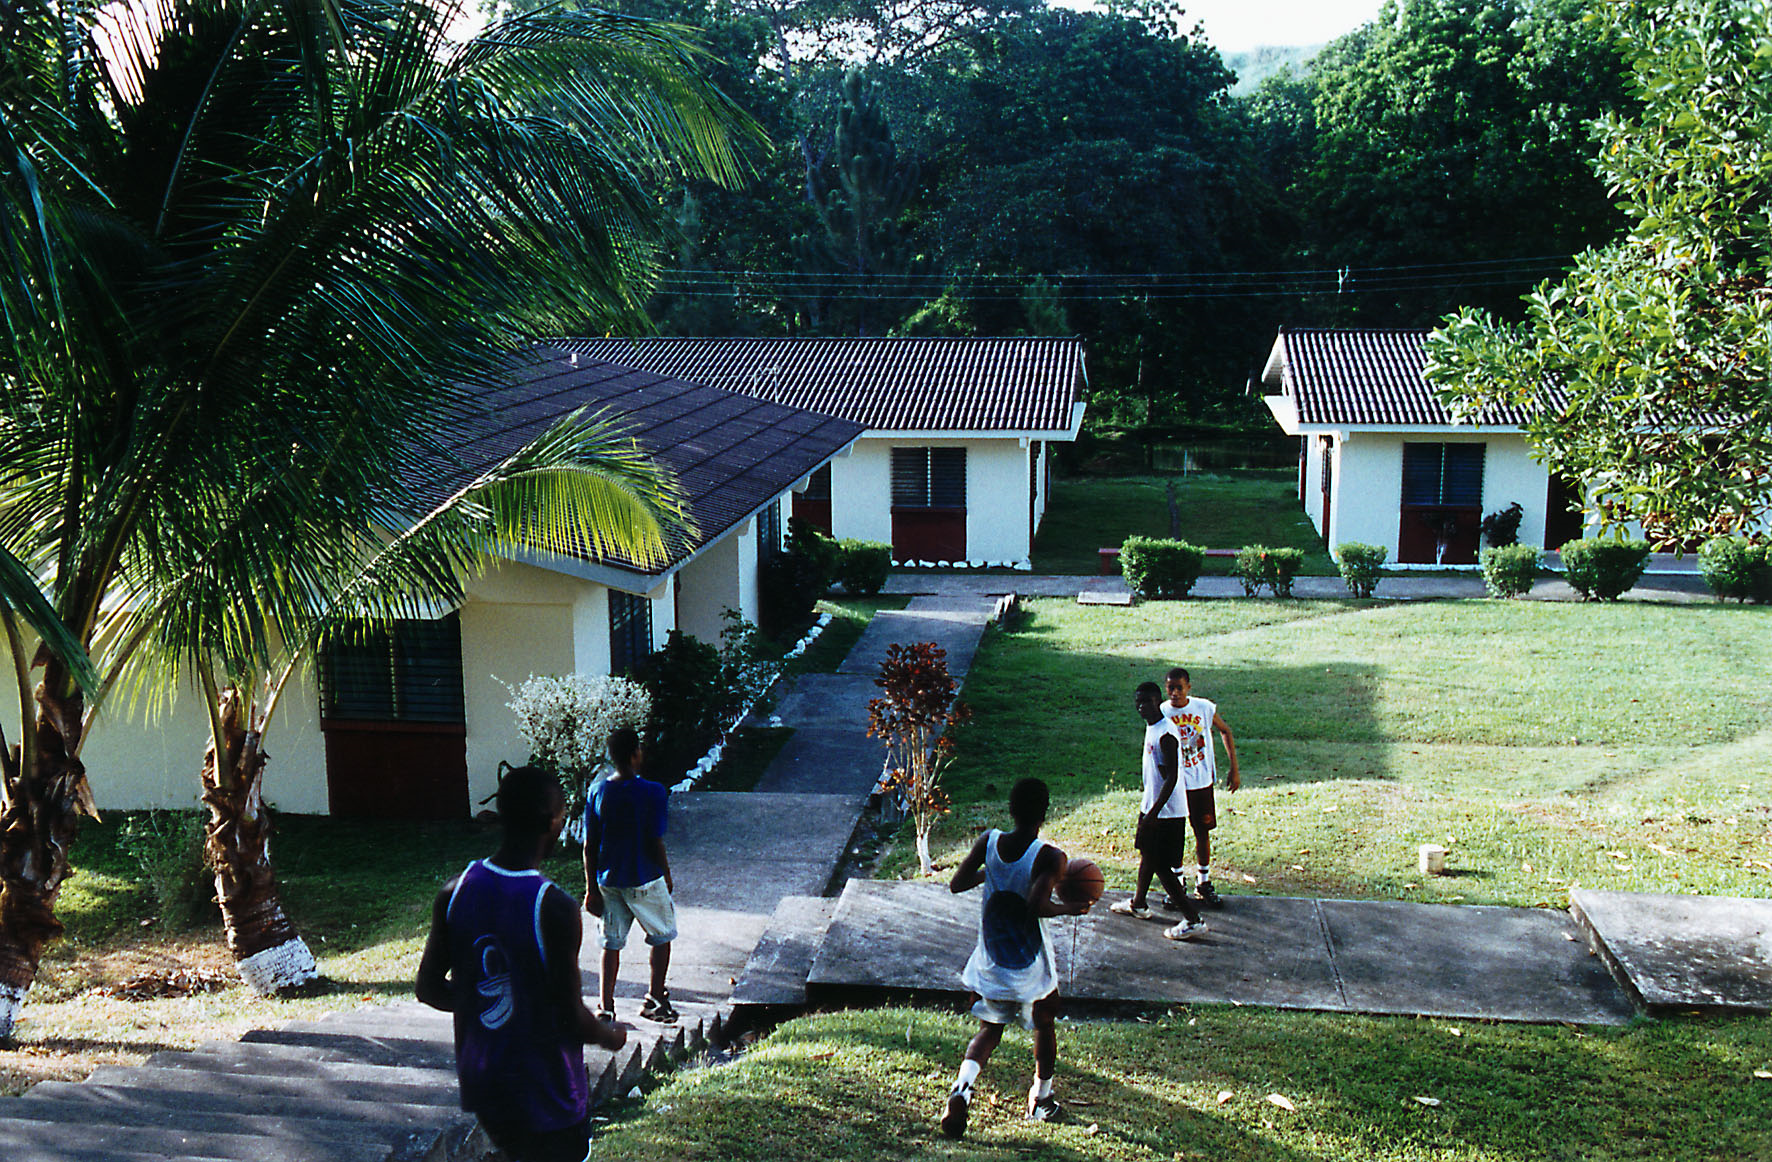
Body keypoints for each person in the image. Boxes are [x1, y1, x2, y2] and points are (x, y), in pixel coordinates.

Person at [416, 765, 626, 1162]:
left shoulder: (454, 891)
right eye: (562, 814)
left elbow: (428, 988)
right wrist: (609, 1034)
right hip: (546, 1092)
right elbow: (569, 1017)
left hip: (487, 1085)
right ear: (553, 823)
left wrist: (488, 1008)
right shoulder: (554, 907)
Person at [940, 777, 1093, 1140]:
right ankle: (1041, 1099)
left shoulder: (988, 842)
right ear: (1045, 813)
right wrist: (1070, 907)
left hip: (992, 961)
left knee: (989, 1030)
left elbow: (957, 883)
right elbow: (1037, 905)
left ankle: (961, 1089)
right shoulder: (1050, 856)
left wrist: (992, 871)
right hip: (1029, 966)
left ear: (1010, 809)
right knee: (1045, 1022)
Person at [582, 725, 678, 1024]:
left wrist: (590, 889)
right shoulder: (652, 791)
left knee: (610, 943)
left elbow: (589, 846)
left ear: (611, 756)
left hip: (608, 881)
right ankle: (654, 998)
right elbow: (654, 840)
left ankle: (606, 1007)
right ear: (636, 754)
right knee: (662, 935)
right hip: (645, 878)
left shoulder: (597, 791)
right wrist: (667, 873)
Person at [1110, 682, 1208, 940]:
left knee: (1161, 866)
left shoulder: (1166, 735)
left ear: (1157, 701)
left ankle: (1193, 919)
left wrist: (1153, 814)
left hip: (1167, 813)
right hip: (1152, 807)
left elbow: (1172, 778)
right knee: (1147, 855)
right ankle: (1138, 904)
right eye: (1137, 702)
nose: (1140, 707)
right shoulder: (1152, 727)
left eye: (1145, 702)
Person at [1162, 666, 1240, 909]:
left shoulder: (1203, 708)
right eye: (1170, 688)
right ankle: (1177, 883)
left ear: (1188, 688)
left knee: (1202, 831)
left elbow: (1225, 730)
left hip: (1200, 780)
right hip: (1175, 784)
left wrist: (1233, 768)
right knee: (1175, 833)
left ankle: (1203, 882)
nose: (1174, 693)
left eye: (1179, 688)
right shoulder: (1163, 711)